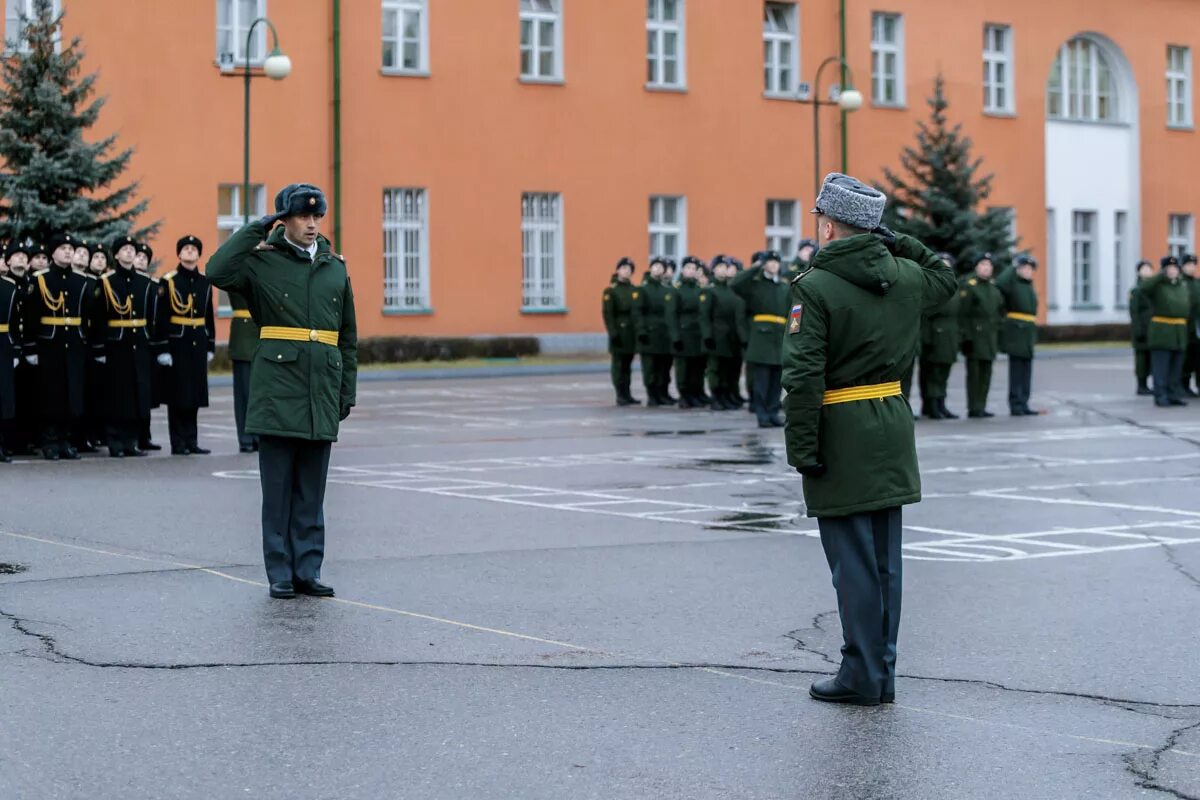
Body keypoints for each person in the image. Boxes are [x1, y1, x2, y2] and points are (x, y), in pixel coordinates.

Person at [782, 172, 956, 706]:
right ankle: (882, 672)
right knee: (885, 562)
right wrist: (895, 238)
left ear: (829, 226)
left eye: (820, 222)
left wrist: (802, 450)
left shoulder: (813, 286)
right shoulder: (904, 276)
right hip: (892, 422)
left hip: (841, 428)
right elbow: (945, 277)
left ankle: (860, 674)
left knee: (852, 564)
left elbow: (804, 376)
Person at [207, 183, 358, 600]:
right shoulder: (261, 263)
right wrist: (257, 229)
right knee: (277, 492)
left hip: (321, 389)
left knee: (312, 491)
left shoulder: (334, 267)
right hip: (278, 389)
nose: (312, 224)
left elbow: (347, 336)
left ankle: (308, 568)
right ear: (283, 220)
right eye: (302, 217)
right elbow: (216, 270)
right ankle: (280, 572)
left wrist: (347, 391)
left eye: (316, 217)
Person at [21, 233, 92, 460]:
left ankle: (65, 441)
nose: (68, 252)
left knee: (72, 393)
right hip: (49, 344)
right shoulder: (40, 280)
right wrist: (31, 348)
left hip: (74, 343)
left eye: (70, 248)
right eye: (63, 248)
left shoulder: (81, 281)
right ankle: (50, 442)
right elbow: (31, 316)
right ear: (53, 253)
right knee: (51, 394)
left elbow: (87, 314)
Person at [93, 233, 158, 458]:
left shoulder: (145, 282)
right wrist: (99, 348)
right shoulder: (106, 282)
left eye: (133, 249)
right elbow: (99, 318)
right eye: (125, 249)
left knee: (136, 394)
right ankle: (115, 442)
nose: (130, 252)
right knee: (116, 395)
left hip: (138, 343)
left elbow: (151, 316)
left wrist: (151, 341)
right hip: (116, 344)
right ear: (117, 254)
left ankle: (131, 441)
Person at [158, 235, 216, 455]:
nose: (190, 252)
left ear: (199, 254)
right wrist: (163, 348)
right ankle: (178, 442)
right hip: (177, 343)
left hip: (198, 341)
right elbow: (161, 317)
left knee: (195, 394)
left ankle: (192, 440)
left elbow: (209, 315)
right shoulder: (169, 281)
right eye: (186, 249)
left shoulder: (204, 281)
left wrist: (210, 345)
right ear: (179, 254)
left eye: (194, 249)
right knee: (178, 394)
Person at [731, 250, 790, 427]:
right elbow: (735, 283)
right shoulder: (755, 285)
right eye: (769, 262)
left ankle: (773, 412)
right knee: (761, 382)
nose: (773, 266)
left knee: (776, 381)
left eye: (775, 262)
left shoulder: (784, 287)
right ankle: (761, 413)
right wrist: (755, 267)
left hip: (780, 337)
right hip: (761, 338)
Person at [958, 254, 1005, 417]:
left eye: (989, 265)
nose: (987, 268)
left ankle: (982, 405)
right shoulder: (970, 286)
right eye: (983, 264)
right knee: (975, 375)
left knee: (986, 374)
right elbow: (963, 314)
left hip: (990, 337)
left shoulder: (993, 288)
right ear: (976, 267)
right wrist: (966, 337)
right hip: (975, 338)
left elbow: (998, 312)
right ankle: (974, 406)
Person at [1140, 256, 1190, 407]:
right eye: (1169, 268)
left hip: (1179, 331)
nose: (1173, 271)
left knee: (1176, 367)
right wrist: (1159, 276)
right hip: (1163, 331)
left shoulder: (1181, 285)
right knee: (1161, 367)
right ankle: (1160, 395)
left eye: (1175, 268)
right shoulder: (1158, 286)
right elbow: (1143, 288)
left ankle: (1173, 394)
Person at [699, 256, 747, 410]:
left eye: (725, 267)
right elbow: (704, 316)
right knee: (715, 369)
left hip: (730, 336)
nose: (723, 270)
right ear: (713, 270)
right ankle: (716, 396)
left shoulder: (732, 290)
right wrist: (707, 336)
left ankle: (726, 395)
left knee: (728, 369)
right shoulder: (710, 291)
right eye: (719, 267)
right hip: (716, 335)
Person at [918, 252, 961, 419]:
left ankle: (941, 404)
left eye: (948, 264)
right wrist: (927, 339)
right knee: (932, 374)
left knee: (944, 372)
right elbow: (925, 315)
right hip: (935, 335)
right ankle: (931, 405)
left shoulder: (955, 286)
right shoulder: (931, 286)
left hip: (949, 335)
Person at [130, 240, 165, 451]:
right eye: (139, 256)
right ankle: (135, 435)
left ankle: (145, 434)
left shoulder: (154, 285)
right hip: (135, 341)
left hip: (149, 343)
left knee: (147, 393)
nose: (141, 259)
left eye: (145, 258)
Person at [997, 254, 1040, 416]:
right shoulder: (1012, 284)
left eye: (1030, 269)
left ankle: (1024, 402)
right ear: (1019, 270)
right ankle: (1015, 403)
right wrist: (1013, 266)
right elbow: (1000, 283)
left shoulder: (1029, 286)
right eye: (1024, 268)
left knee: (1026, 370)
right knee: (1016, 371)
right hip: (1016, 332)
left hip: (1027, 333)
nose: (1028, 271)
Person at [5, 241, 37, 455]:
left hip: (30, 345)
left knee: (29, 396)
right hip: (11, 344)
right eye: (17, 256)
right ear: (8, 261)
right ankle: (10, 441)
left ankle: (26, 440)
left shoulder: (32, 284)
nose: (22, 259)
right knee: (10, 395)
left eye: (25, 257)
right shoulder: (6, 283)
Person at [633, 257, 675, 406]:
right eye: (655, 266)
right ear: (650, 268)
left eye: (661, 267)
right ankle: (652, 395)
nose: (657, 269)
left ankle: (662, 393)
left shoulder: (668, 290)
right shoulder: (643, 289)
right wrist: (642, 331)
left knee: (664, 367)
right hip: (649, 333)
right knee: (650, 367)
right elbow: (638, 313)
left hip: (664, 334)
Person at [669, 256, 708, 408]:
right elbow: (671, 315)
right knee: (683, 368)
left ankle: (694, 394)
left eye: (694, 269)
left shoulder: (700, 290)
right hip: (684, 333)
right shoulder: (676, 290)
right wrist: (675, 337)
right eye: (688, 268)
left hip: (697, 333)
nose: (691, 271)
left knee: (697, 367)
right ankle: (684, 395)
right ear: (683, 270)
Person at [602, 257, 640, 406]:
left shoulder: (634, 290)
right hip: (619, 330)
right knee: (618, 365)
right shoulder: (611, 291)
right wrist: (613, 332)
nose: (626, 271)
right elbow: (608, 314)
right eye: (623, 268)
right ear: (618, 270)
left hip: (630, 332)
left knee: (627, 365)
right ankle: (620, 394)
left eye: (629, 269)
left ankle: (627, 393)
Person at [228, 288, 260, 452]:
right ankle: (246, 437)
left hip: (265, 335)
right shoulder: (238, 266)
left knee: (263, 394)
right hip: (244, 338)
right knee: (244, 393)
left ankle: (260, 436)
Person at [0, 257, 17, 461]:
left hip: (3, 343)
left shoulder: (9, 287)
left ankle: (2, 444)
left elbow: (14, 319)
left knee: (3, 395)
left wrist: (16, 348)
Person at [1129, 260, 1155, 396]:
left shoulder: (1153, 289)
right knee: (1141, 359)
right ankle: (1141, 385)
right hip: (1141, 329)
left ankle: (1148, 385)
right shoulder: (1136, 290)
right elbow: (1134, 312)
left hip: (1153, 329)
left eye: (1148, 269)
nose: (1146, 271)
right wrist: (1139, 330)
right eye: (1143, 269)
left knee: (1151, 358)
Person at [1183, 254, 1200, 396]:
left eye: (1193, 265)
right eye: (1188, 264)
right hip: (1185, 327)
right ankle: (1184, 386)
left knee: (1198, 359)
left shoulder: (1197, 283)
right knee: (1186, 359)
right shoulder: (1181, 283)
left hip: (1197, 327)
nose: (1191, 267)